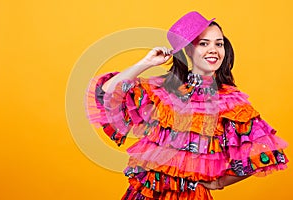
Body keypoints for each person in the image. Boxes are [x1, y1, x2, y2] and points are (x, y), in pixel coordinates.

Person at [85, 11, 288, 200]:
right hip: (147, 193)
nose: (213, 50)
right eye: (204, 43)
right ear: (188, 50)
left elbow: (265, 152)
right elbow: (108, 92)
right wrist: (145, 63)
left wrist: (220, 182)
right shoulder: (161, 92)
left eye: (219, 44)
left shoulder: (230, 103)